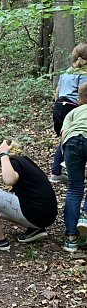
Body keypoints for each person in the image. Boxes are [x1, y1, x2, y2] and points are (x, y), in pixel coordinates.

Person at [0, 141, 58, 251]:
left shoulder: (15, 162)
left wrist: (3, 154)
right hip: (45, 214)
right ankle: (35, 229)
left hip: (37, 213)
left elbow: (9, 180)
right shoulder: (26, 162)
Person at [50, 43, 87, 183]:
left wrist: (57, 104)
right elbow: (83, 93)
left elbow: (58, 91)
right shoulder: (83, 73)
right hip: (73, 106)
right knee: (75, 137)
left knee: (64, 137)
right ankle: (66, 167)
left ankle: (56, 171)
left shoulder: (67, 71)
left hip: (59, 105)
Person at [61, 82, 87, 251]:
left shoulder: (73, 112)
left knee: (74, 188)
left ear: (80, 99)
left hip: (71, 142)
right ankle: (85, 216)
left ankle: (71, 238)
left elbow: (63, 135)